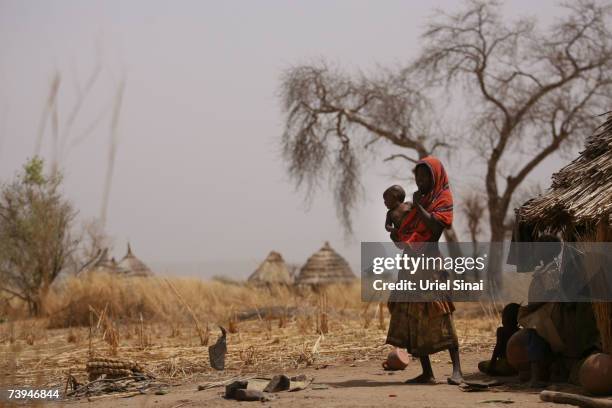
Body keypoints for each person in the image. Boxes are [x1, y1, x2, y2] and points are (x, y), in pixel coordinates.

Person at [385, 156, 463, 385]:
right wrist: (397, 235)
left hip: (430, 266)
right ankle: (427, 372)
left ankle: (457, 370)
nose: (419, 180)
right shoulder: (412, 203)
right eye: (417, 176)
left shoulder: (442, 199)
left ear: (435, 176)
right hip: (410, 265)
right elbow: (404, 236)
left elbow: (435, 229)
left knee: (440, 313)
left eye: (424, 175)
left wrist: (419, 206)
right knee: (413, 317)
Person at [478, 303, 520, 376]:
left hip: (505, 364)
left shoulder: (501, 331)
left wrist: (492, 364)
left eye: (503, 316)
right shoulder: (520, 331)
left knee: (481, 365)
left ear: (505, 318)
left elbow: (498, 348)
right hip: (518, 367)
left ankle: (499, 372)